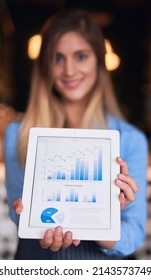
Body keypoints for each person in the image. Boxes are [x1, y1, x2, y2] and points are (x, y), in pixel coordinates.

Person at [4, 9, 148, 260]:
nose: (69, 70)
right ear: (46, 66)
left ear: (99, 62)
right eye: (57, 58)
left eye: (80, 56)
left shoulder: (130, 139)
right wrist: (28, 217)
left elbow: (133, 233)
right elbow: (21, 218)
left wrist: (108, 221)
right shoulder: (19, 133)